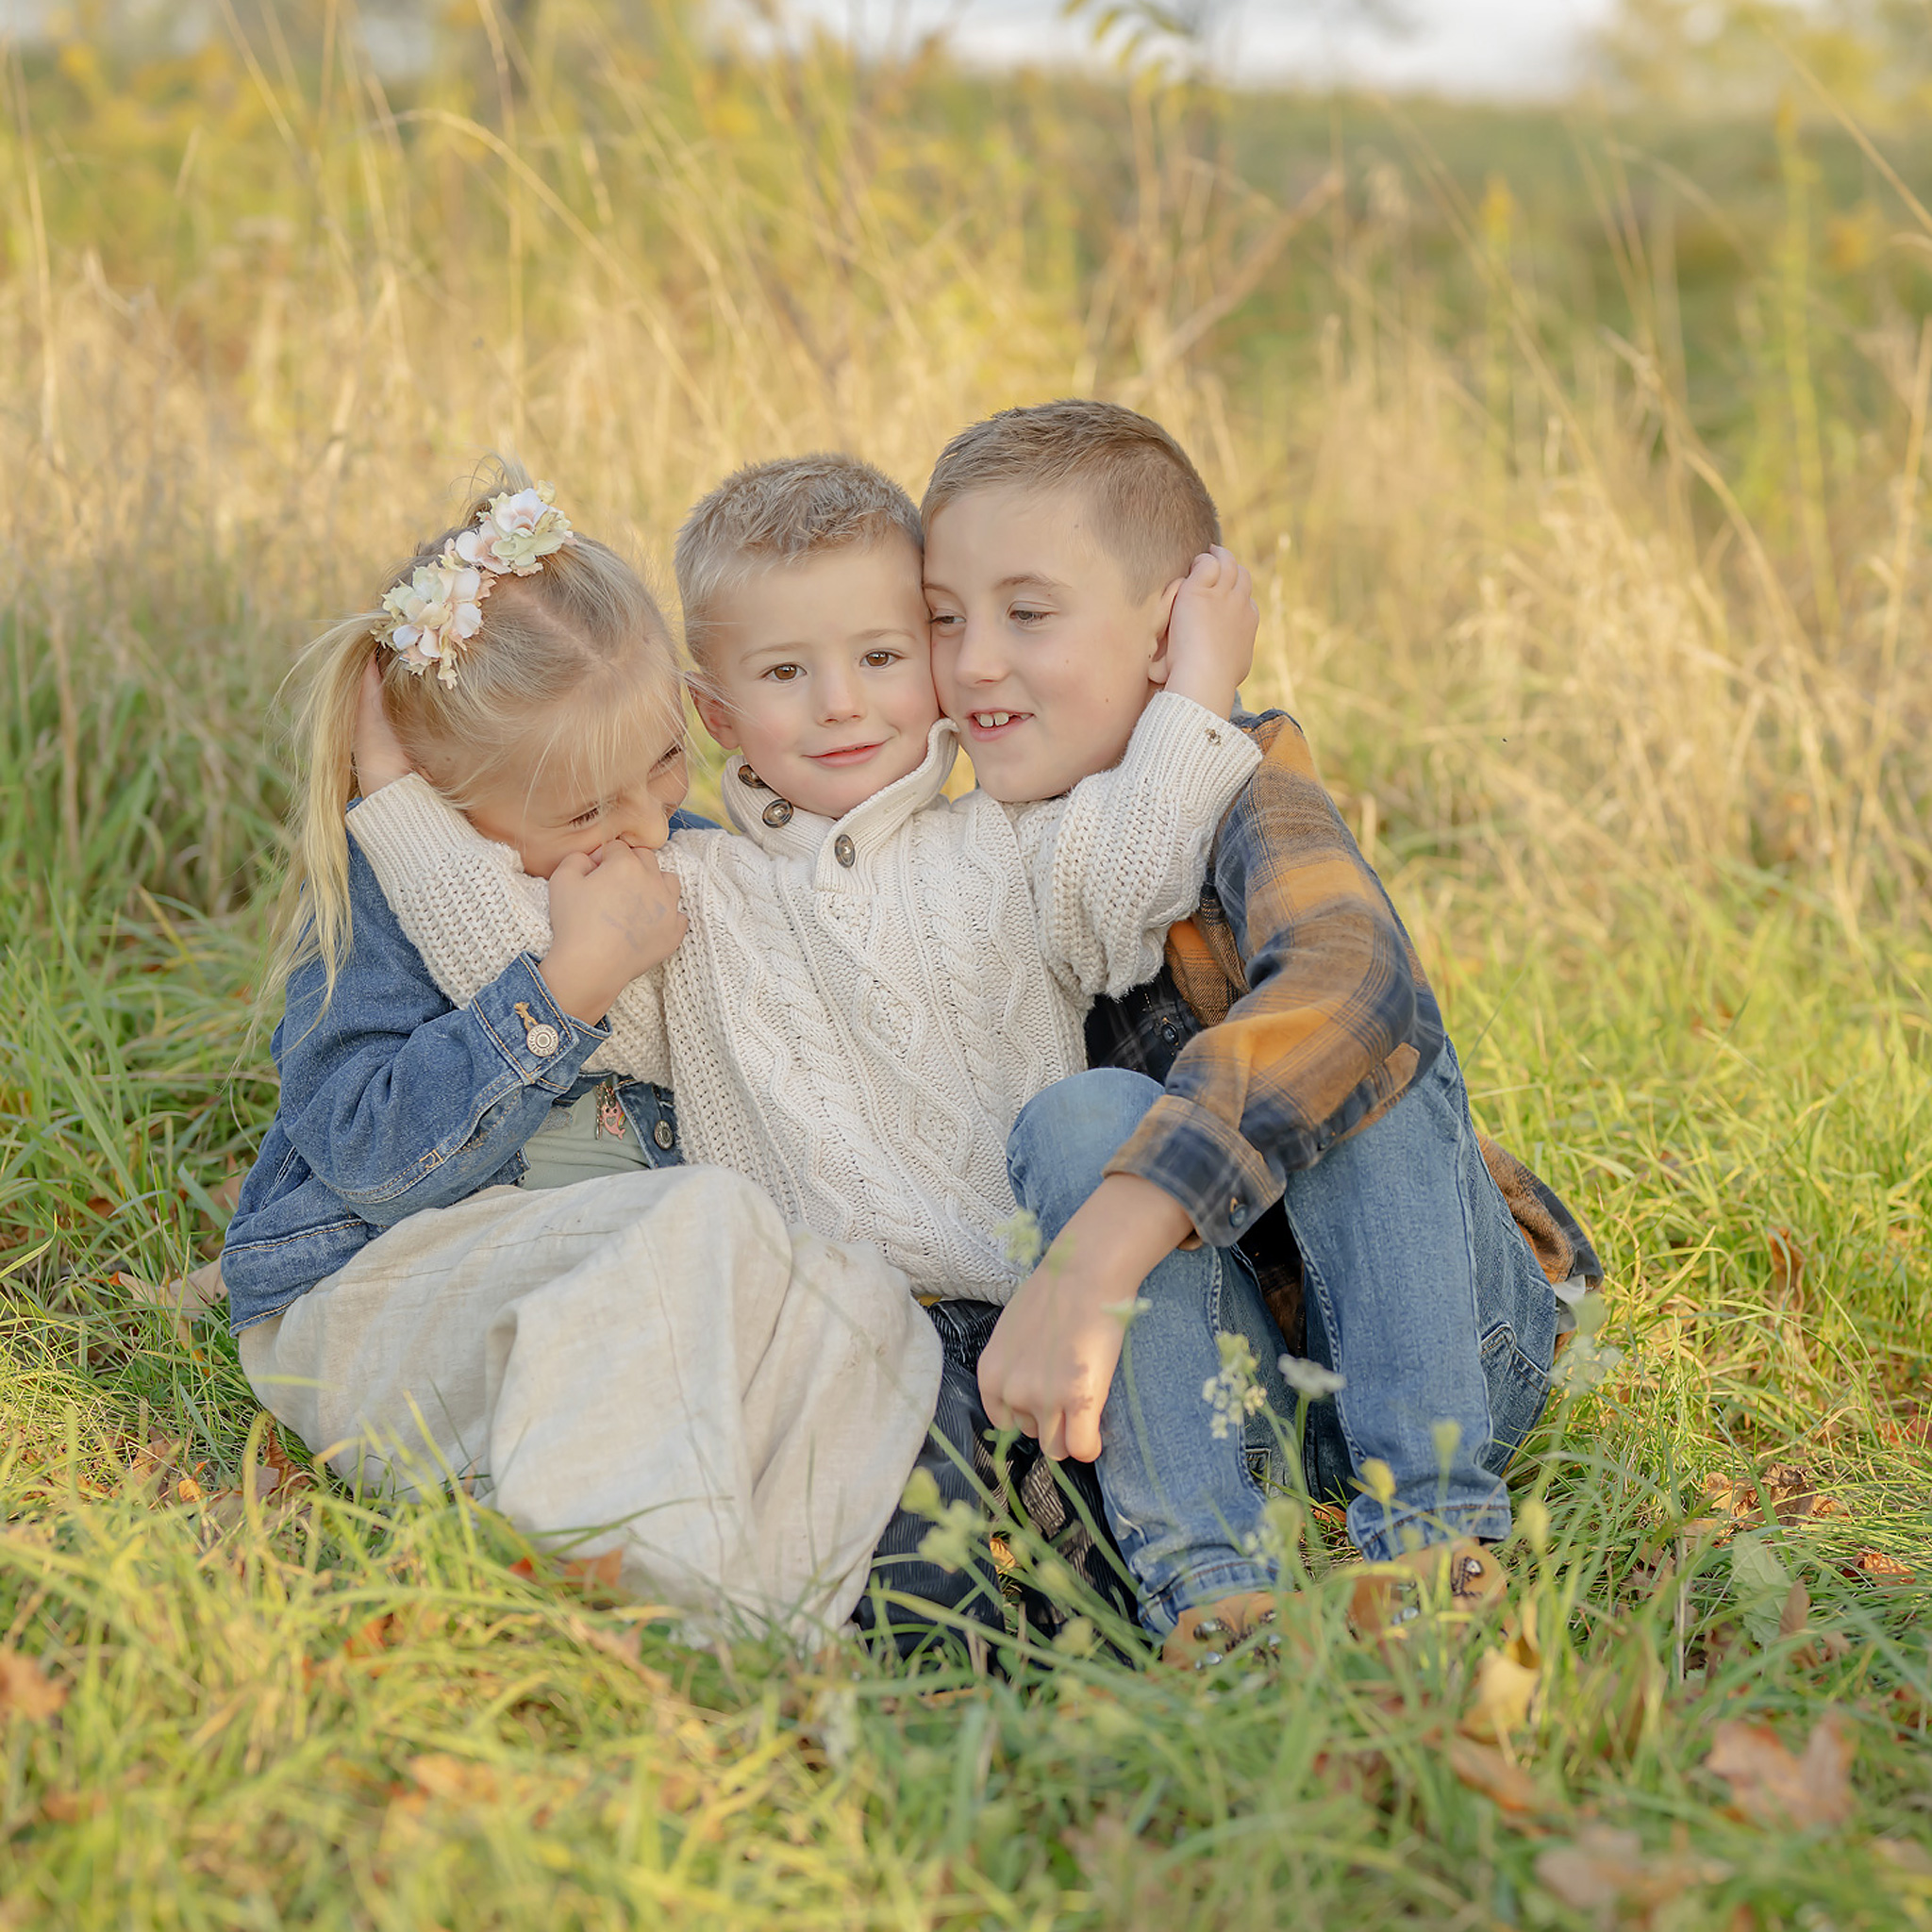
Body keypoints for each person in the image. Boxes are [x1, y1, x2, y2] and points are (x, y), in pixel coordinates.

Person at [338, 455, 1264, 1649]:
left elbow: (1144, 859)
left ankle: (1196, 1595)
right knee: (919, 1595)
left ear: (934, 668)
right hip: (851, 1345)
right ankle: (951, 1664)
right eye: (784, 673)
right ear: (713, 715)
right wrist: (390, 791)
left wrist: (1199, 679)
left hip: (1047, 1311)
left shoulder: (1010, 846)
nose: (839, 703)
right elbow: (504, 950)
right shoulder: (686, 900)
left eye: (879, 658)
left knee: (1096, 1460)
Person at [909, 400, 1602, 1664]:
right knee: (1075, 1119)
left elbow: (1348, 987)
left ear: (1171, 629)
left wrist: (1113, 1235)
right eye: (944, 619)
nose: (975, 665)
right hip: (1236, 1397)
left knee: (1340, 1030)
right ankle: (1218, 1589)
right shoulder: (980, 868)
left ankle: (1436, 1543)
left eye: (1026, 612)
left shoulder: (1247, 785)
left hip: (1437, 1348)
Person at [222, 470, 946, 1637]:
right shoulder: (390, 913)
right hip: (380, 1315)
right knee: (698, 1222)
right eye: (583, 815)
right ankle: (637, 1595)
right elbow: (365, 1154)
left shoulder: (688, 855)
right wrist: (566, 987)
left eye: (663, 766)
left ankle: (790, 1619)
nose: (649, 827)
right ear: (449, 808)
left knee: (851, 1289)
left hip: (613, 1319)